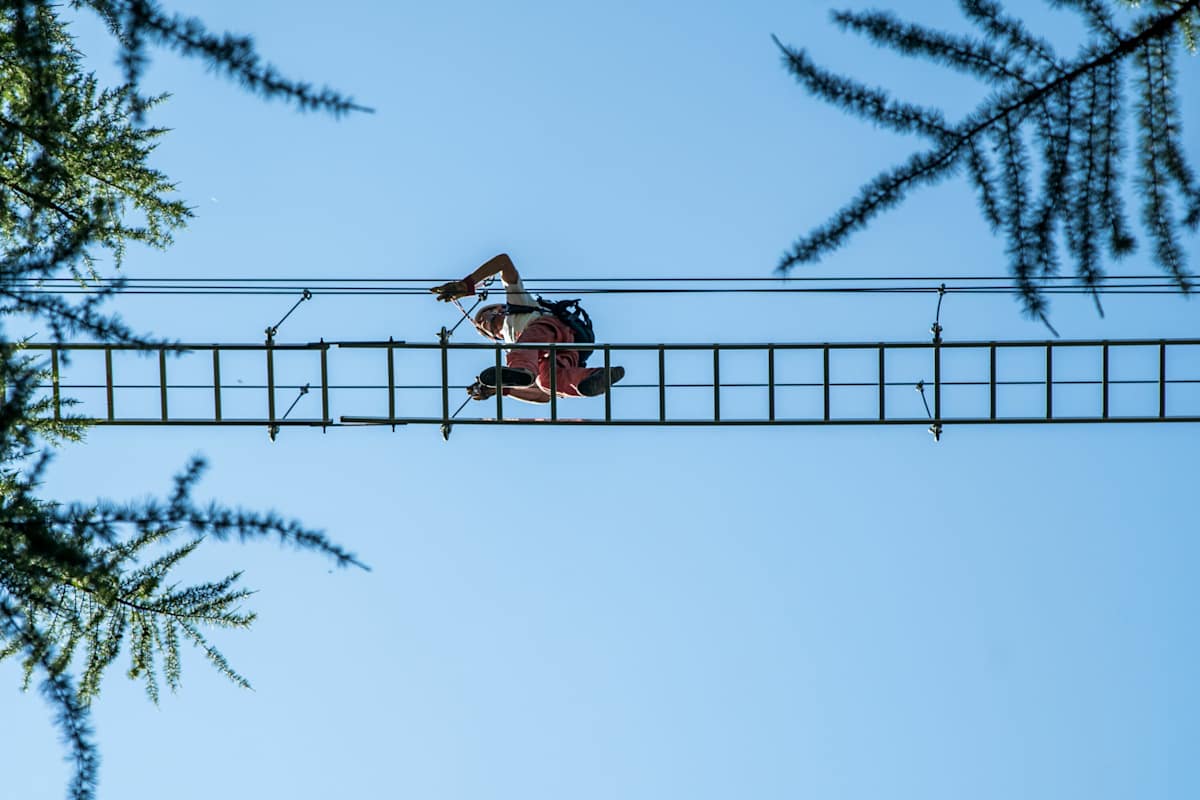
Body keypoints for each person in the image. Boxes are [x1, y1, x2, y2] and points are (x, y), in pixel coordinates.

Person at [431, 253, 624, 403]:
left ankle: (523, 371)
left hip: (549, 329)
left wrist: (468, 284)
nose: (481, 324)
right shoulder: (512, 345)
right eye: (481, 328)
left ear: (498, 309)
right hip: (563, 351)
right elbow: (544, 396)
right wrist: (502, 389)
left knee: (526, 347)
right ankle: (592, 379)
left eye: (483, 317)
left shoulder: (517, 304)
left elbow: (503, 261)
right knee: (547, 381)